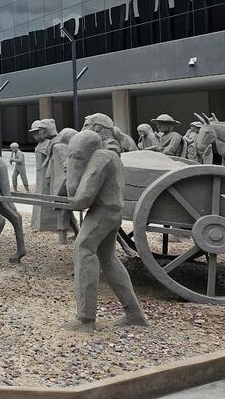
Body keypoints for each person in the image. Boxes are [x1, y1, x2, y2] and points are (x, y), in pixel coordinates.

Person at [62, 130, 147, 333]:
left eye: (76, 155)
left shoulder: (100, 159)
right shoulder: (110, 156)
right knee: (108, 259)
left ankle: (86, 319)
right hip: (111, 211)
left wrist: (70, 172)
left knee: (83, 249)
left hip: (102, 213)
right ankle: (134, 314)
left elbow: (80, 199)